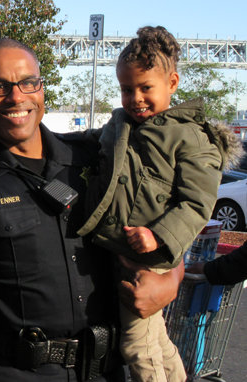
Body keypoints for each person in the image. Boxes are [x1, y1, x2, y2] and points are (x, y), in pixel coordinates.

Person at [0, 38, 184, 382]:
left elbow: (162, 219)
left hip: (108, 371)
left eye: (28, 82)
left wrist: (172, 281)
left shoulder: (91, 157)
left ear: (41, 89)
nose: (17, 97)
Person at [76, 26, 240, 382]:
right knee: (159, 343)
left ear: (173, 83)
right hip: (119, 252)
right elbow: (91, 143)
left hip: (149, 263)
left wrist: (158, 236)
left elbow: (197, 204)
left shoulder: (191, 138)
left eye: (146, 87)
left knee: (139, 347)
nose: (135, 98)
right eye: (125, 89)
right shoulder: (120, 125)